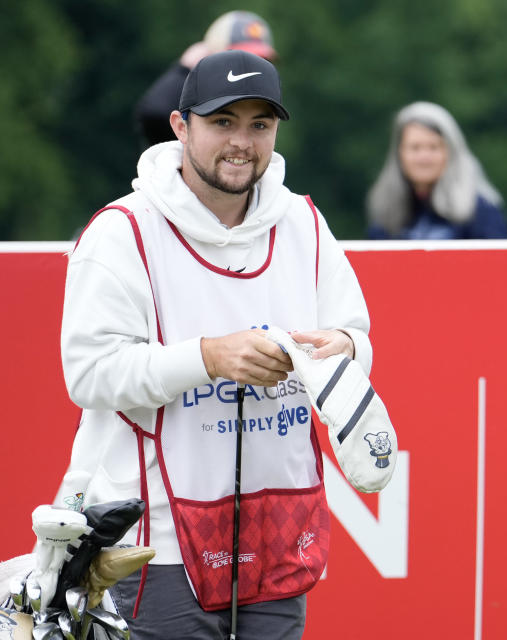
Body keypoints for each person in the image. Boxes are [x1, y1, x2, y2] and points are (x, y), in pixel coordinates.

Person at [56, 49, 372, 639]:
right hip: (155, 543)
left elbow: (356, 338)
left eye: (260, 125)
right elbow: (89, 373)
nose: (241, 143)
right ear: (181, 127)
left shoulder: (302, 221)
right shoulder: (123, 230)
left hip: (277, 527)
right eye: (223, 122)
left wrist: (340, 348)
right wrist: (208, 357)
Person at [366, 101, 507, 239]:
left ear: (451, 152)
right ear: (399, 153)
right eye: (415, 147)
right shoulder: (388, 209)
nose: (424, 157)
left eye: (434, 147)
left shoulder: (480, 210)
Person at [135, 10, 276, 148]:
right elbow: (155, 114)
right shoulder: (200, 105)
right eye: (238, 58)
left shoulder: (265, 106)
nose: (251, 68)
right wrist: (184, 71)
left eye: (261, 60)